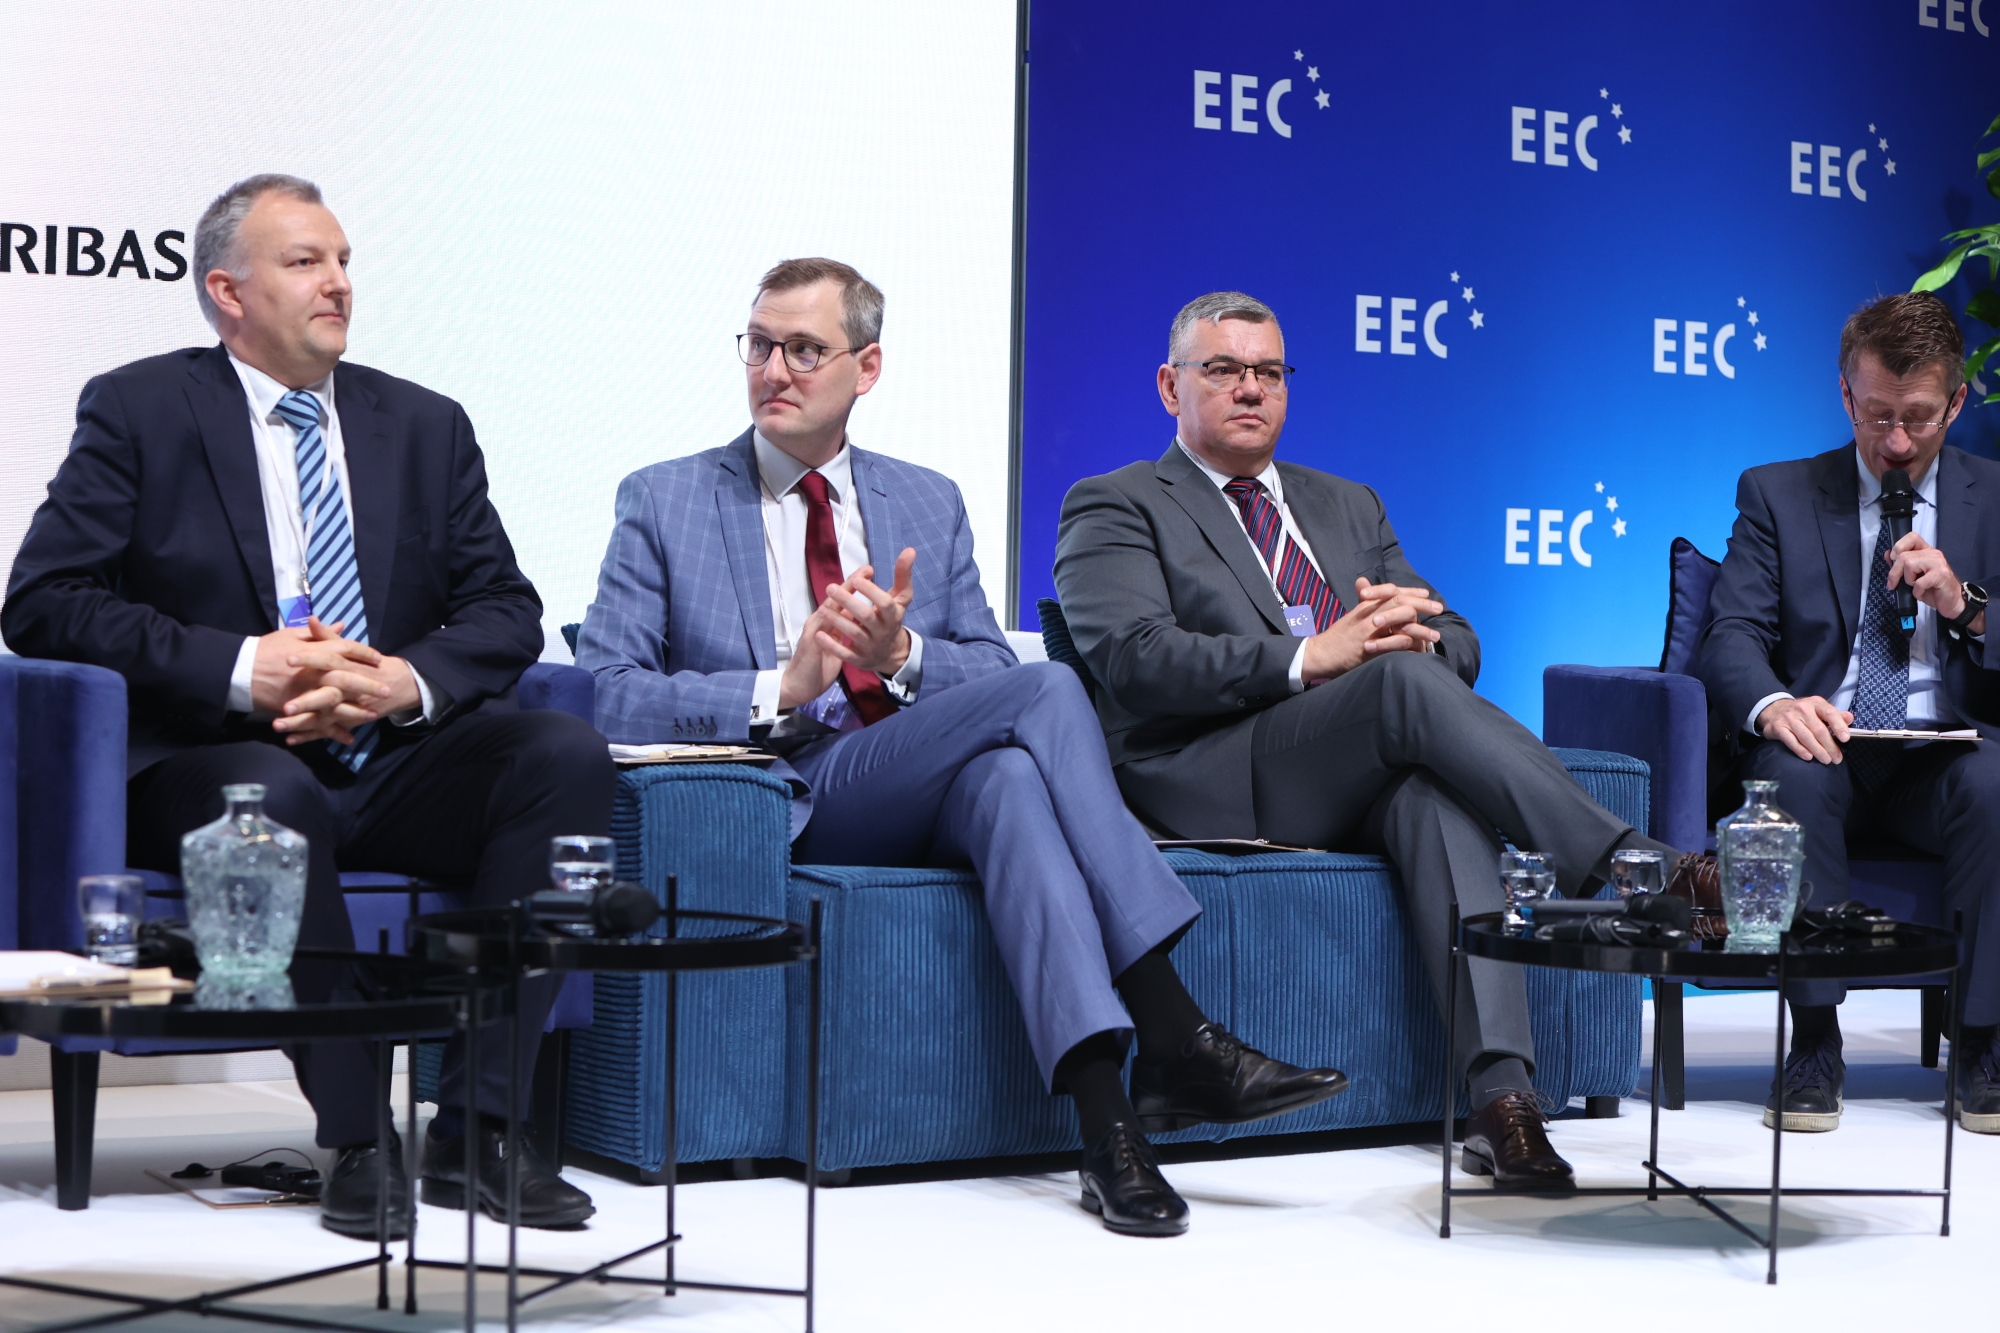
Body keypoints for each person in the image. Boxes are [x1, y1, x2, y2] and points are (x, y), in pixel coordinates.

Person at [577, 258, 1346, 1236]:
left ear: (866, 367)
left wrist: (901, 656)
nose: (773, 369)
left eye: (804, 349)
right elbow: (602, 689)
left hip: (917, 771)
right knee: (1047, 688)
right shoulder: (666, 498)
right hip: (788, 786)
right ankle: (1173, 1025)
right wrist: (784, 685)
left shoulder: (923, 499)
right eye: (759, 345)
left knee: (1007, 782)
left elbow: (980, 663)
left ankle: (1109, 1131)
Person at [2, 175, 615, 1236]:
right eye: (305, 262)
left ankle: (477, 1130)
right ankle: (358, 1136)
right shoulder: (142, 409)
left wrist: (401, 680)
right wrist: (247, 666)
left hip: (391, 758)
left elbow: (504, 607)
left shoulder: (423, 424)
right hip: (213, 756)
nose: (337, 283)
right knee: (268, 792)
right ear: (227, 291)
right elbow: (45, 601)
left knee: (559, 753)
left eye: (342, 262)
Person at [1054, 290, 1691, 1191]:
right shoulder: (1116, 502)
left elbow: (1457, 636)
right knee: (1393, 688)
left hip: (1355, 756)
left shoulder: (1347, 503)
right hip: (1209, 772)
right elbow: (1133, 658)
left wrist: (1420, 642)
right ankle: (1638, 868)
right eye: (1224, 369)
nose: (1250, 388)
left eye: (1269, 372)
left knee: (1432, 791)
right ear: (1170, 386)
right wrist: (1313, 656)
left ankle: (1502, 1102)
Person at [1695, 290, 2000, 1135]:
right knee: (1790, 782)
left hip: (1943, 753)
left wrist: (1969, 606)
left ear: (1956, 402)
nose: (1897, 442)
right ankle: (1815, 1042)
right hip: (1823, 742)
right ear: (1844, 395)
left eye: (1919, 417)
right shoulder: (1777, 493)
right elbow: (1731, 635)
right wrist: (1774, 704)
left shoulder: (1996, 497)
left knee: (1997, 785)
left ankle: (1982, 1042)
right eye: (1876, 415)